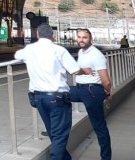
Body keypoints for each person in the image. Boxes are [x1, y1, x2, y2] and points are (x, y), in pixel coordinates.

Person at [15, 23, 83, 160]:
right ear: (53, 36)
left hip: (38, 98)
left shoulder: (29, 50)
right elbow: (75, 70)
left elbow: (17, 55)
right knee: (59, 134)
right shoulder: (59, 50)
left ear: (37, 35)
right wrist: (86, 70)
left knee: (53, 132)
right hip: (57, 98)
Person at [71, 29, 113, 160]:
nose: (81, 40)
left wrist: (107, 92)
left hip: (92, 91)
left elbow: (106, 81)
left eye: (85, 37)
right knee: (58, 94)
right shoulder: (81, 51)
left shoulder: (96, 55)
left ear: (91, 39)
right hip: (79, 89)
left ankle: (106, 157)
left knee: (99, 126)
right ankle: (56, 128)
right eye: (79, 37)